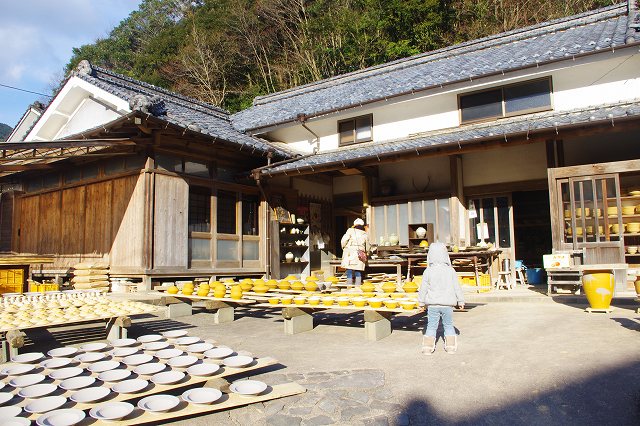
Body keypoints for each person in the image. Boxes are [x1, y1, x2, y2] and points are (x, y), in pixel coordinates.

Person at [417, 242, 465, 355]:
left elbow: (423, 289)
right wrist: (460, 301)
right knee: (448, 325)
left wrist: (421, 303)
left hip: (433, 304)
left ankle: (428, 348)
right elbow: (457, 287)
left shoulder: (427, 271)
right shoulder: (451, 271)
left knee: (431, 326)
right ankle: (451, 347)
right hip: (448, 304)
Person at [340, 218, 370, 286]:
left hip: (349, 252)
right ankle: (358, 285)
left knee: (349, 269)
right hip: (360, 252)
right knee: (358, 269)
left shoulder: (350, 231)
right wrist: (367, 253)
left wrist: (344, 248)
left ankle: (349, 285)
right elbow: (368, 246)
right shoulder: (365, 234)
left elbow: (343, 240)